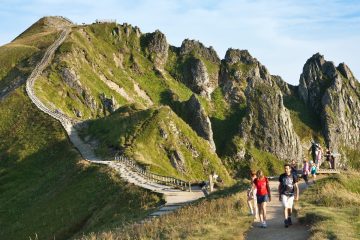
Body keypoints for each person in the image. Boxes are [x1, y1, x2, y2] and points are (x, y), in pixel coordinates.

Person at [278, 163, 299, 228]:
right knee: (285, 207)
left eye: (287, 168)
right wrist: (279, 194)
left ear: (290, 169)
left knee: (290, 208)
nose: (286, 170)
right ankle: (286, 220)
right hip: (284, 194)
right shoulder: (282, 176)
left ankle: (289, 217)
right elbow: (280, 185)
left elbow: (296, 186)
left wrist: (297, 195)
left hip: (291, 194)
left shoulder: (293, 176)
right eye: (285, 168)